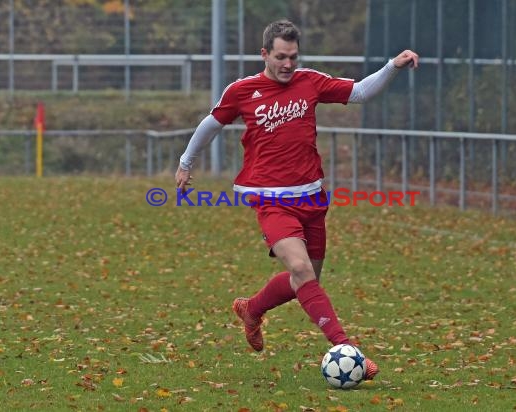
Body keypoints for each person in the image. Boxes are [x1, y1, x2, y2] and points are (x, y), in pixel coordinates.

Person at [176, 19, 418, 380]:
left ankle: (252, 309)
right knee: (302, 271)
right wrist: (185, 162)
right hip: (270, 200)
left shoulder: (310, 81)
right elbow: (211, 123)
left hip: (312, 198)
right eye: (280, 57)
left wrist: (391, 66)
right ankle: (346, 349)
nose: (287, 64)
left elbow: (361, 92)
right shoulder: (243, 90)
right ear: (264, 54)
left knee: (305, 280)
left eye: (292, 57)